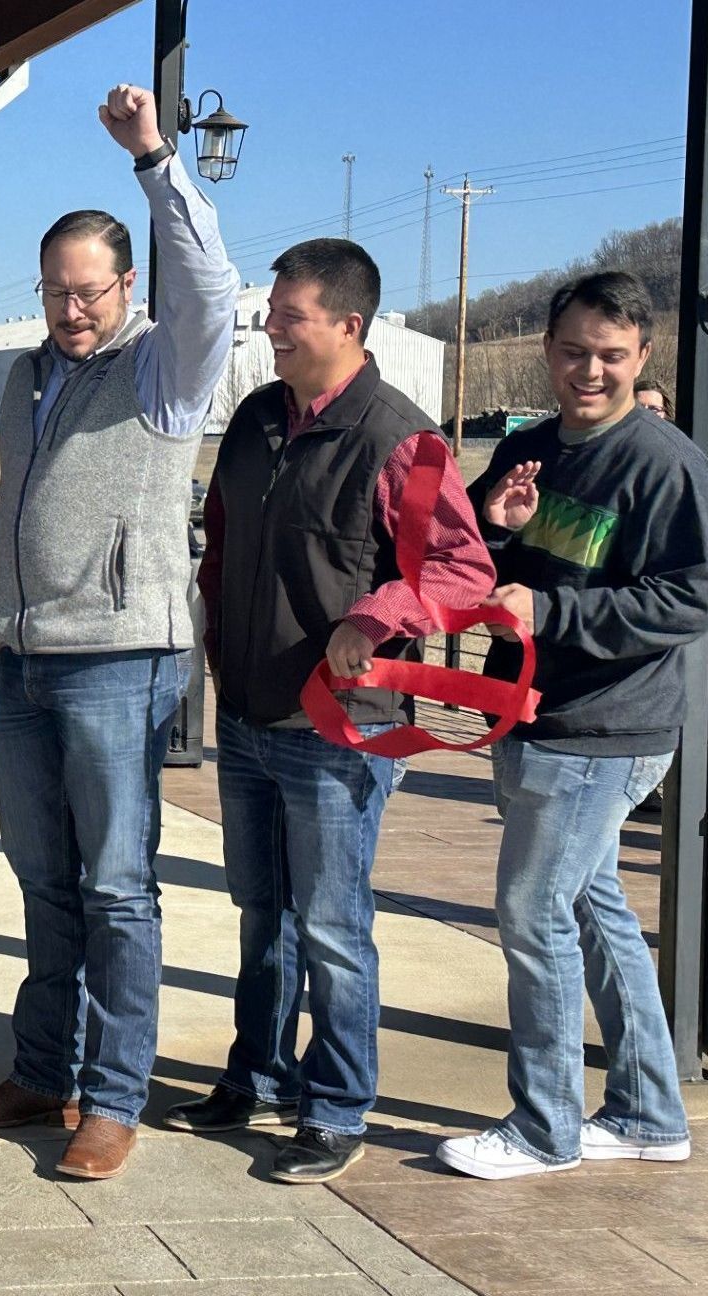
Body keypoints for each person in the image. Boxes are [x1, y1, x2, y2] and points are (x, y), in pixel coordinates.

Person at [0, 83, 239, 1181]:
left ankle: (112, 1101)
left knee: (117, 885)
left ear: (126, 287)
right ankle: (44, 1073)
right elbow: (22, 505)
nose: (72, 311)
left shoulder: (166, 369)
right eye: (57, 292)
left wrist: (155, 159)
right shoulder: (24, 378)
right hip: (22, 662)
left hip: (119, 659)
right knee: (44, 881)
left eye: (91, 291)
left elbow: (210, 283)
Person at [170, 238, 496, 1184]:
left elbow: (456, 568)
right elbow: (220, 550)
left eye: (289, 315)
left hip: (336, 730)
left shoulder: (402, 437)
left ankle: (337, 1106)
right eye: (272, 312)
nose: (269, 327)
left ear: (349, 326)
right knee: (259, 913)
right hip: (245, 716)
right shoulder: (253, 420)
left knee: (331, 925)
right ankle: (257, 1076)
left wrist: (373, 613)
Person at [438, 271, 708, 1180]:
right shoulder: (536, 445)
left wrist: (555, 617)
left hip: (604, 727)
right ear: (547, 350)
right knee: (593, 909)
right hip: (527, 709)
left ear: (641, 357)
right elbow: (477, 556)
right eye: (572, 352)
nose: (588, 371)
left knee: (532, 910)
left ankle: (543, 1128)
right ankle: (646, 1112)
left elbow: (690, 594)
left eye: (610, 356)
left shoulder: (662, 459)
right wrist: (492, 518)